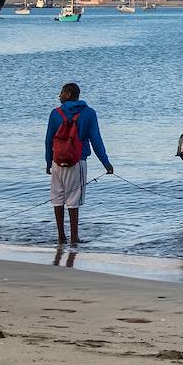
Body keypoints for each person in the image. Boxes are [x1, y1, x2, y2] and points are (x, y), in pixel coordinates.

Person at [44, 83, 113, 247]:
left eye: (61, 93)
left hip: (57, 162)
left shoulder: (55, 113)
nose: (59, 95)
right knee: (73, 201)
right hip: (78, 161)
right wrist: (106, 163)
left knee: (57, 199)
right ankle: (74, 237)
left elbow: (48, 140)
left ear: (68, 94)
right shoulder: (89, 113)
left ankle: (61, 236)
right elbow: (96, 140)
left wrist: (48, 162)